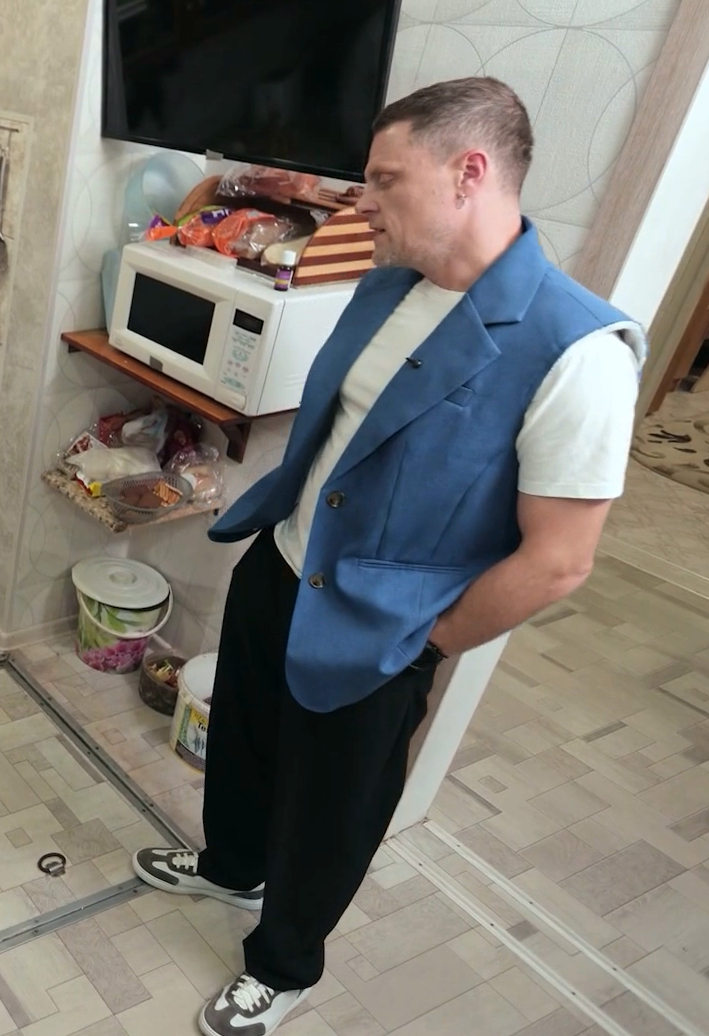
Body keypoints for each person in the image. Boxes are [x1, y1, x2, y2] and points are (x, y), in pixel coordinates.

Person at [131, 78, 645, 1036]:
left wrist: (427, 645)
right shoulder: (386, 285)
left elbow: (560, 560)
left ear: (470, 173)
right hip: (282, 566)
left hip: (382, 629)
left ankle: (283, 965)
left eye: (384, 179)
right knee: (242, 745)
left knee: (330, 811)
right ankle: (229, 870)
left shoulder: (578, 351)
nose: (361, 201)